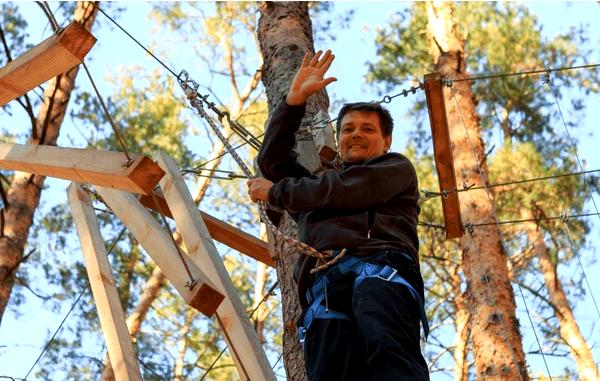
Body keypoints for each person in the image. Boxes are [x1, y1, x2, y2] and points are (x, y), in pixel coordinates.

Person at [247, 50, 429, 381]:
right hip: (325, 289)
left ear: (386, 141)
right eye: (347, 129)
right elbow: (272, 163)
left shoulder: (394, 168)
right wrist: (292, 102)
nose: (355, 134)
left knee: (389, 356)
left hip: (380, 271)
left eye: (367, 129)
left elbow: (342, 190)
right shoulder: (315, 189)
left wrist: (276, 193)